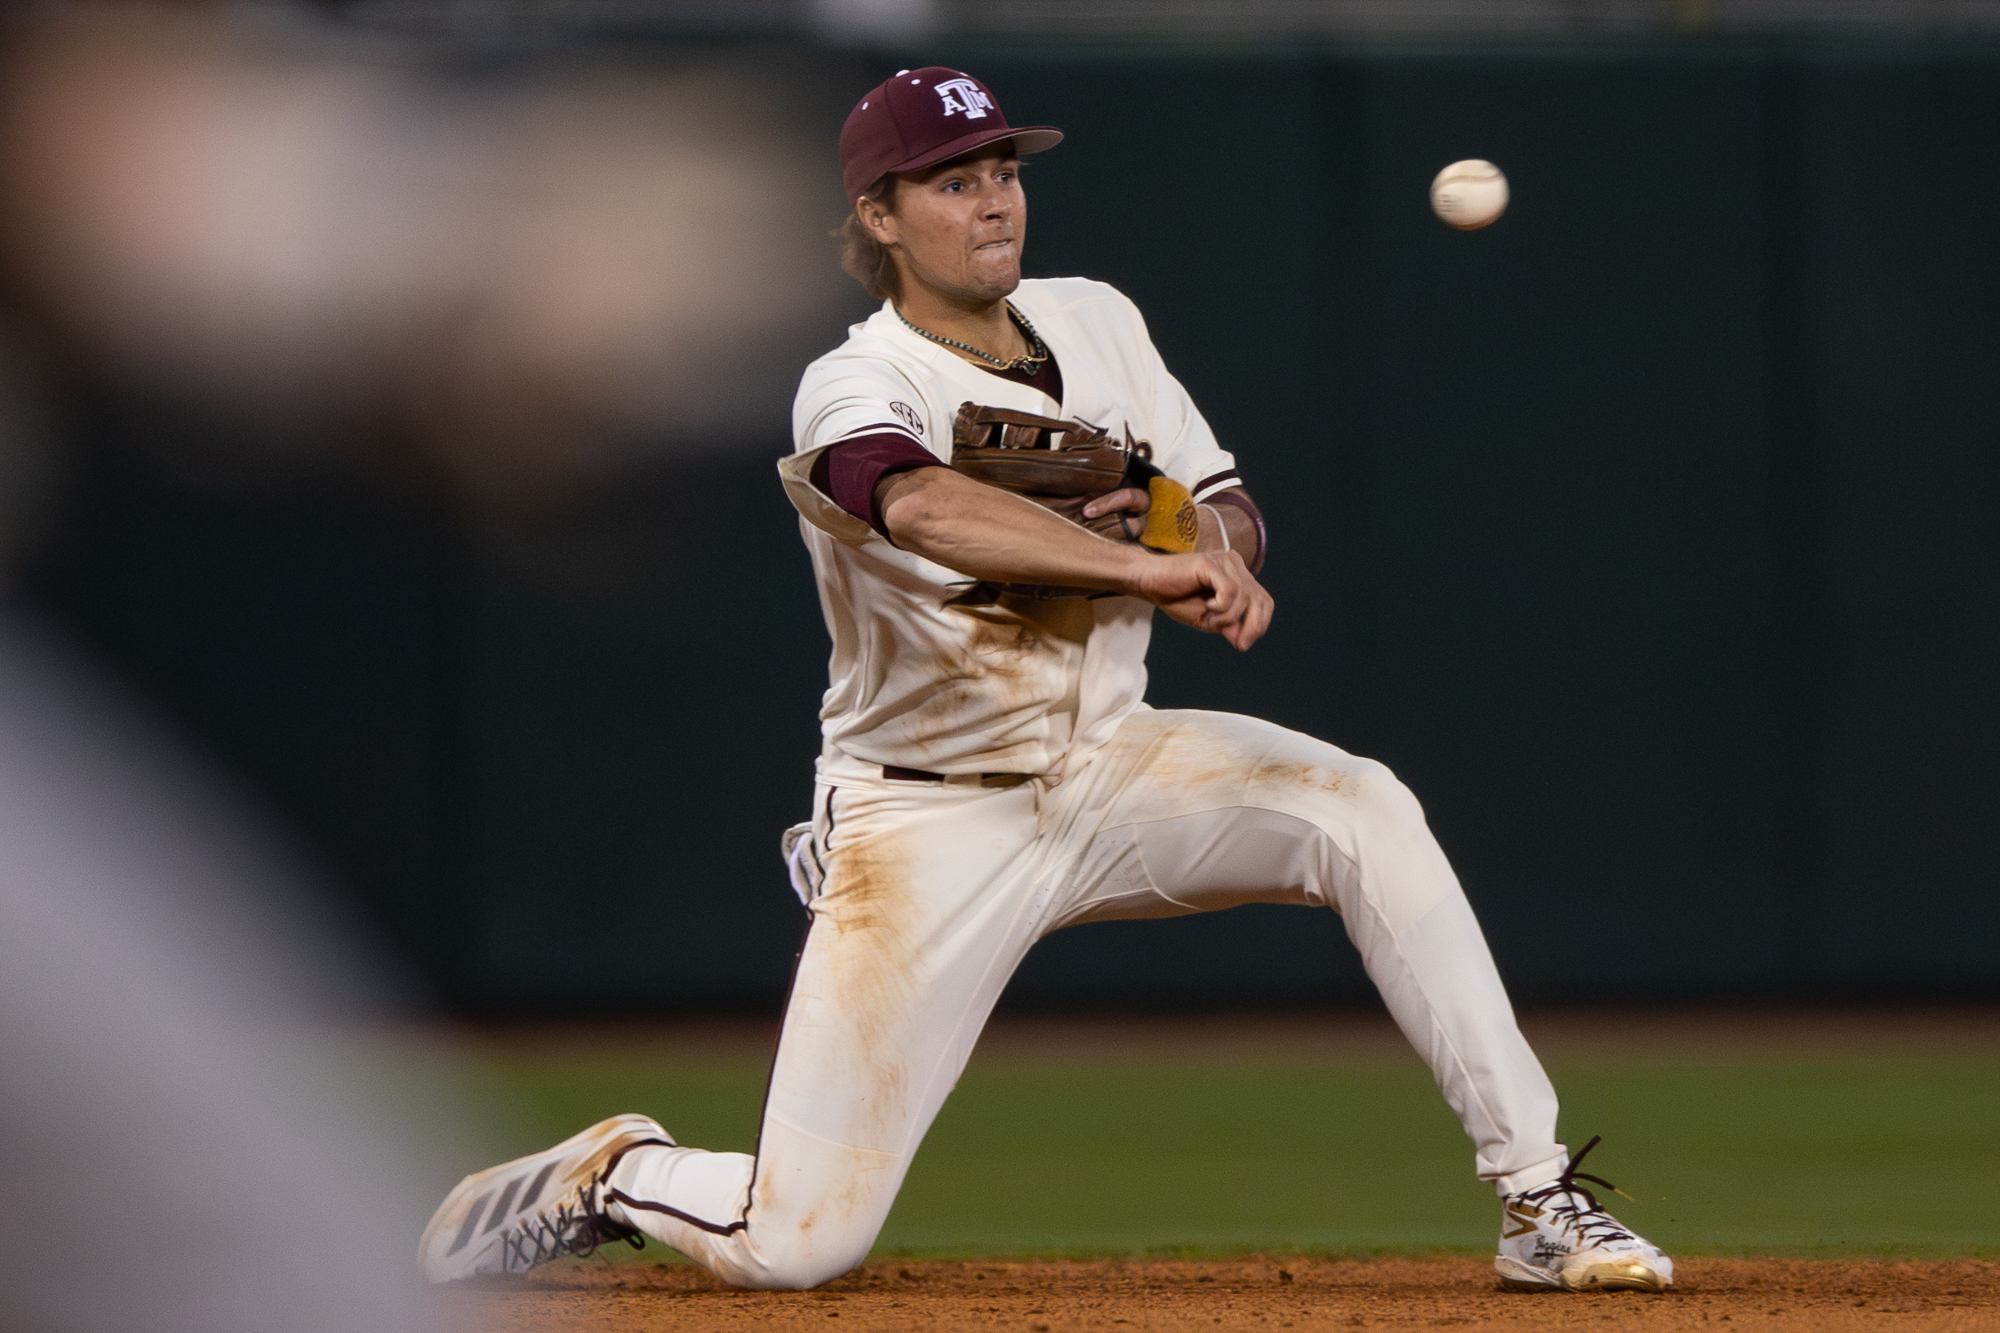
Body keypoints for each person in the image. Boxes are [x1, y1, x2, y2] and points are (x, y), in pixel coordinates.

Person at [418, 66, 1673, 1296]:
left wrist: (1211, 558)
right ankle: (614, 1169)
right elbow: (921, 503)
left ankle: (1535, 1195)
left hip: (1112, 764)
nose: (995, 201)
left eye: (1004, 171)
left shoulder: (1096, 321)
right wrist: (1129, 571)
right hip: (926, 816)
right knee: (791, 1244)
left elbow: (1218, 502)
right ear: (878, 216)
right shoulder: (859, 381)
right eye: (954, 181)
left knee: (1361, 805)